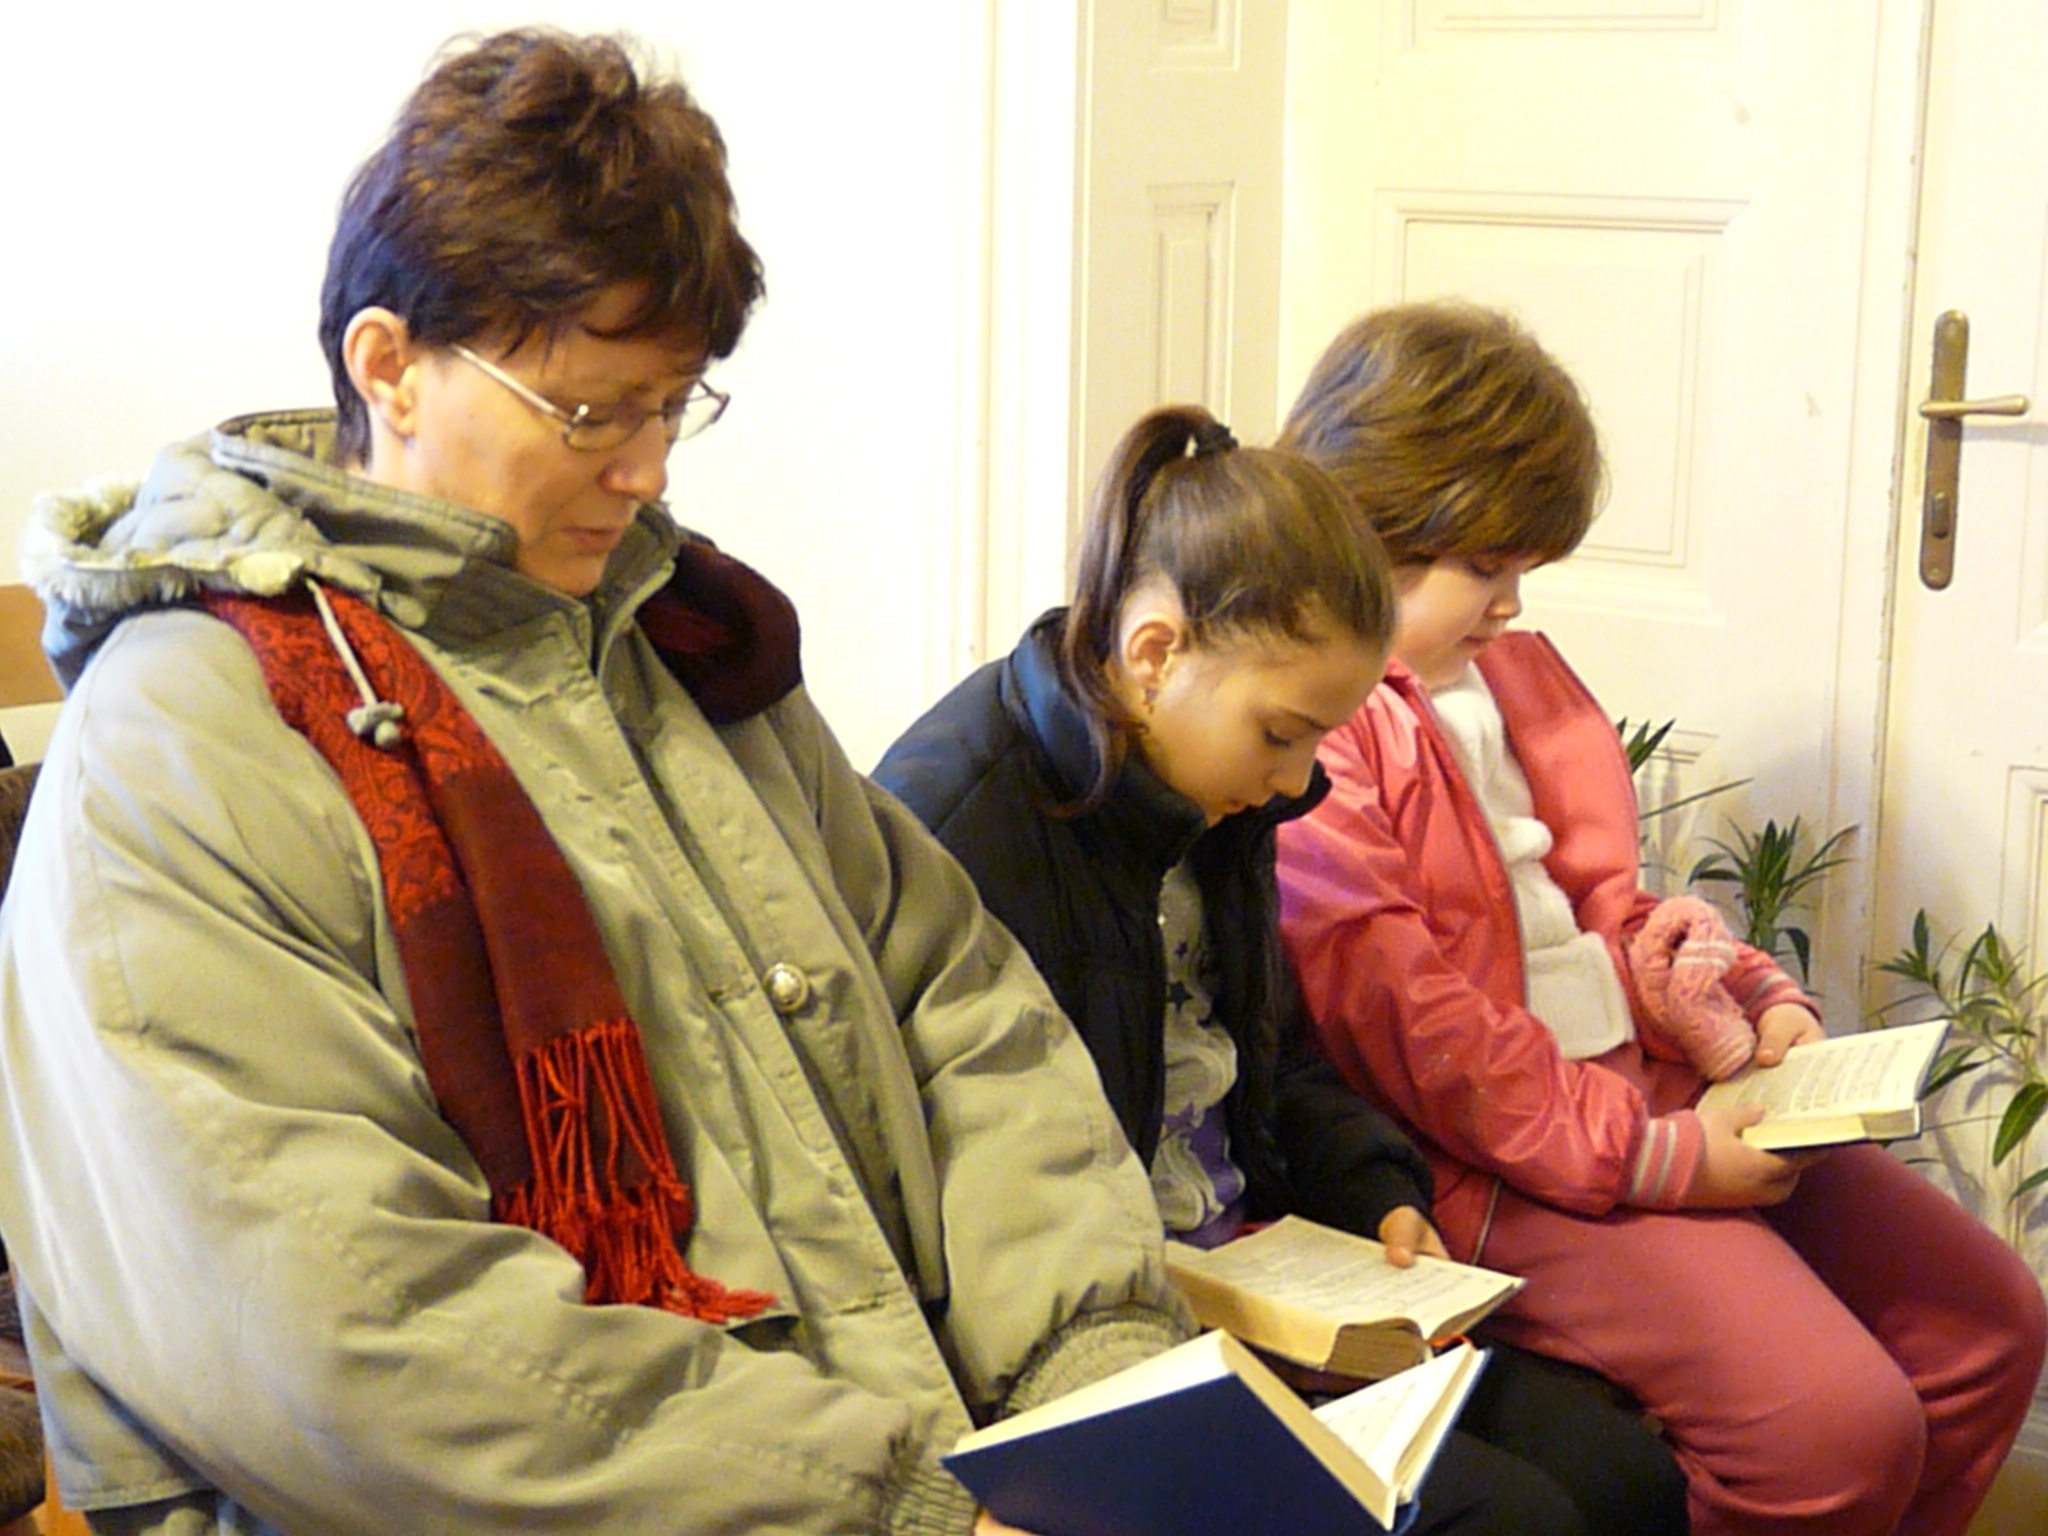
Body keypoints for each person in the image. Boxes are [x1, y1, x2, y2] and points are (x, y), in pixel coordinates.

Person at [0, 29, 1188, 1535]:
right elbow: (348, 1329)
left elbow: (957, 1003)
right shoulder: (187, 739)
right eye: (590, 413)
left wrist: (1094, 1382)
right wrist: (890, 1510)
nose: (645, 471)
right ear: (388, 366)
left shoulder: (670, 642)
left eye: (671, 404)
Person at [1273, 299, 2048, 1536]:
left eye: (1522, 571)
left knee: (1986, 1321)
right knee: (1830, 1428)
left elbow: (1602, 909)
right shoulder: (1320, 734)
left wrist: (1745, 996)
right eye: (1486, 569)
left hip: (1637, 1090)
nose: (1513, 606)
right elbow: (1421, 1034)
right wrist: (1660, 1157)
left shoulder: (1502, 678)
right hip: (1492, 1160)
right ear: (1373, 527)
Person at [873, 405, 1689, 1536]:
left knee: (1626, 1476)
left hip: (1265, 1275)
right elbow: (941, 1193)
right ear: (1155, 653)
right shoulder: (958, 824)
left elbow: (1273, 1051)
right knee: (1512, 1521)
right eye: (1282, 734)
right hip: (1104, 1333)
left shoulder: (1221, 793)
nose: (1299, 778)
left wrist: (1372, 1187)